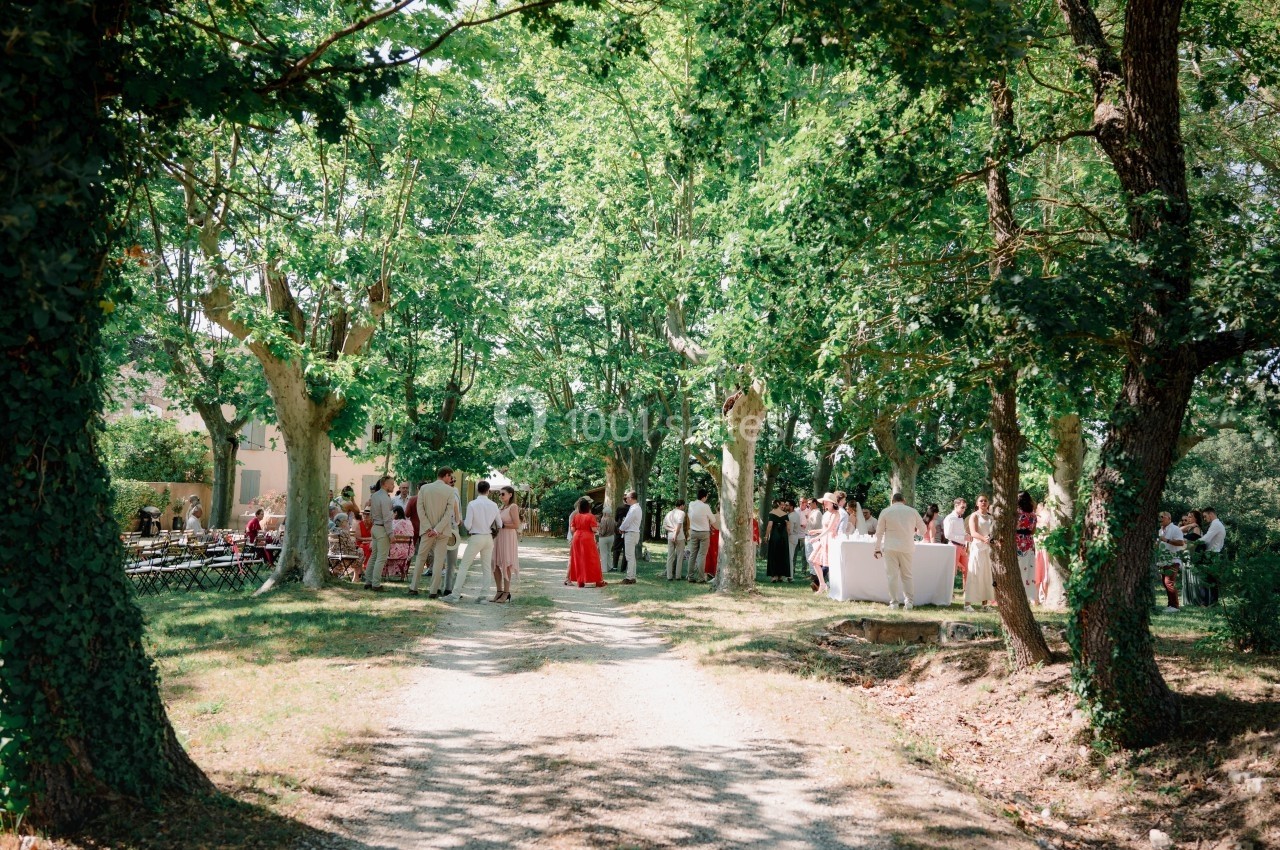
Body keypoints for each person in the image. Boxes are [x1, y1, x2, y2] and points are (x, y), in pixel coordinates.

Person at [410, 468, 462, 598]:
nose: (451, 479)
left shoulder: (424, 488)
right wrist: (437, 529)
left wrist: (428, 527)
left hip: (426, 531)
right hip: (442, 531)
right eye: (450, 476)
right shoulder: (450, 491)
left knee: (421, 558)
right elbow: (448, 513)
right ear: (446, 475)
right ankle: (433, 591)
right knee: (439, 560)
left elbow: (420, 509)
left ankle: (413, 587)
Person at [447, 480, 501, 602]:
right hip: (488, 537)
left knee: (464, 566)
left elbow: (467, 525)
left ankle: (455, 594)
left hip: (476, 536)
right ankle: (483, 596)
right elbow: (500, 523)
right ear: (488, 491)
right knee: (486, 567)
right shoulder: (494, 505)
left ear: (477, 490)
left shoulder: (472, 504)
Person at [874, 493, 924, 609]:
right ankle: (909, 602)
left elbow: (879, 533)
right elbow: (923, 529)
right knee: (907, 576)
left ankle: (894, 603)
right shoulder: (912, 511)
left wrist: (877, 549)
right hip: (907, 547)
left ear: (892, 501)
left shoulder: (886, 511)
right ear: (904, 500)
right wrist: (916, 534)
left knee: (892, 576)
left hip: (890, 547)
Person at [363, 475, 396, 592]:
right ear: (385, 484)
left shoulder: (374, 496)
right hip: (382, 528)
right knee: (381, 558)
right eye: (391, 484)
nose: (393, 486)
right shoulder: (385, 498)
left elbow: (371, 514)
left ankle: (368, 581)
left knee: (374, 556)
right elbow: (387, 518)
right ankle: (376, 584)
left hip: (375, 527)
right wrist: (391, 534)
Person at [567, 497, 607, 588]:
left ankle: (580, 581)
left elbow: (572, 529)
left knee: (578, 559)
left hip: (577, 537)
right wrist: (597, 529)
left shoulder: (576, 516)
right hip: (587, 537)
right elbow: (594, 529)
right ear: (588, 507)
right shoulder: (590, 516)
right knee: (592, 558)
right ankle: (597, 580)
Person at [964, 495, 995, 611]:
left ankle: (984, 605)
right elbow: (973, 533)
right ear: (977, 503)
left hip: (988, 549)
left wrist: (991, 539)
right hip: (977, 548)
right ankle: (967, 604)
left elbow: (993, 531)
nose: (983, 502)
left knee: (987, 575)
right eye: (981, 501)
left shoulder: (991, 517)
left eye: (985, 500)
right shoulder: (974, 516)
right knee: (974, 573)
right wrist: (984, 539)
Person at [807, 493, 841, 594]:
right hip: (824, 540)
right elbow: (825, 529)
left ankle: (829, 585)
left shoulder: (836, 514)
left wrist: (817, 537)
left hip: (830, 541)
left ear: (832, 503)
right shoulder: (826, 513)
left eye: (826, 501)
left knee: (828, 564)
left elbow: (830, 529)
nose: (824, 503)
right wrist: (816, 531)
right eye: (824, 501)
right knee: (814, 561)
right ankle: (822, 584)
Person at [492, 486, 520, 603]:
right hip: (498, 537)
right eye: (500, 494)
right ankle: (499, 590)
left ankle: (506, 592)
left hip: (508, 537)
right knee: (494, 563)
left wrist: (503, 525)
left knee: (506, 564)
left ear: (510, 494)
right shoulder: (501, 507)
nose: (501, 496)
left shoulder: (513, 507)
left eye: (503, 494)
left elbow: (516, 525)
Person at [1158, 510, 1185, 612]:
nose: (1160, 519)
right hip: (1163, 560)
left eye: (1162, 517)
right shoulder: (1160, 530)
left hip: (1173, 560)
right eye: (1159, 517)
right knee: (1165, 583)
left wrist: (1167, 540)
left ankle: (1175, 606)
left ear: (1169, 518)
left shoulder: (1175, 529)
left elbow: (1181, 543)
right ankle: (1170, 605)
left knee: (1169, 582)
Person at [687, 489, 715, 583]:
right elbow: (713, 520)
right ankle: (701, 577)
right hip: (704, 533)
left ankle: (690, 576)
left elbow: (690, 515)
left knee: (692, 554)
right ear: (704, 497)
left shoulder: (691, 504)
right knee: (702, 555)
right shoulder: (705, 506)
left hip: (693, 531)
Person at [1016, 491, 1038, 604]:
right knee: (1029, 568)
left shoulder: (1016, 513)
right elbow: (1033, 531)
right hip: (1029, 541)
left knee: (1019, 568)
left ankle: (1018, 594)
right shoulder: (1033, 514)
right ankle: (1028, 595)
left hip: (1018, 541)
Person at [942, 498, 969, 593]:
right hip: (954, 546)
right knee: (952, 571)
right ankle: (948, 593)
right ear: (956, 506)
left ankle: (967, 593)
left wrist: (966, 537)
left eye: (965, 507)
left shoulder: (961, 518)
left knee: (967, 570)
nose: (964, 509)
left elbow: (960, 532)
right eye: (962, 507)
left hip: (963, 547)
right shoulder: (949, 518)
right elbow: (947, 535)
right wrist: (963, 537)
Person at [617, 490, 643, 585]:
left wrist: (621, 528)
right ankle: (632, 576)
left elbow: (627, 521)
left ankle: (629, 577)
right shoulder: (637, 508)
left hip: (631, 533)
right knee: (631, 556)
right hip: (633, 533)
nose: (626, 499)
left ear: (631, 498)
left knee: (629, 556)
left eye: (627, 498)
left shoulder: (633, 509)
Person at [765, 500, 792, 583]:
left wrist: (766, 536)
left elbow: (770, 525)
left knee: (773, 555)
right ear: (779, 505)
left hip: (775, 535)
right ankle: (780, 576)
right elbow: (788, 525)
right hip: (783, 536)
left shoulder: (772, 513)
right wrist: (788, 534)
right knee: (782, 555)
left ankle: (774, 576)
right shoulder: (785, 514)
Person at [663, 499, 687, 581]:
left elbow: (664, 526)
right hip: (679, 537)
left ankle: (669, 576)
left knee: (670, 556)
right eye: (684, 505)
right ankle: (677, 576)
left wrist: (672, 530)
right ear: (681, 505)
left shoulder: (669, 513)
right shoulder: (681, 513)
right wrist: (675, 534)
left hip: (670, 536)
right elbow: (679, 525)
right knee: (680, 556)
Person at [389, 505, 415, 573]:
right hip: (407, 552)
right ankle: (401, 571)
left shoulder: (393, 523)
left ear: (396, 513)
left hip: (393, 552)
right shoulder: (409, 523)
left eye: (392, 513)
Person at [787, 499, 806, 580]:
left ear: (791, 507)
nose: (785, 506)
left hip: (791, 537)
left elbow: (789, 530)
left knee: (790, 557)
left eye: (787, 505)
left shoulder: (792, 516)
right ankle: (789, 575)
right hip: (794, 537)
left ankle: (790, 576)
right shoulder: (794, 514)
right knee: (790, 557)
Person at [597, 506, 617, 576]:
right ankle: (610, 567)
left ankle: (604, 569)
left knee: (603, 553)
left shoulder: (604, 520)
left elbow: (603, 531)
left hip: (604, 538)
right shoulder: (613, 519)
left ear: (605, 513)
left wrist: (598, 531)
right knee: (609, 552)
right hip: (611, 537)